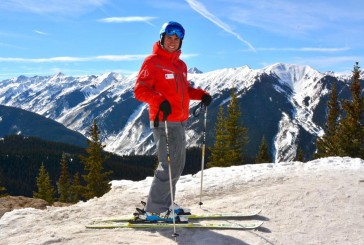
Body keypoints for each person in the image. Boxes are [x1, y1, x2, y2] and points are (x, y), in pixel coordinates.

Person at [134, 21, 212, 222]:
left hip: (179, 120)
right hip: (163, 121)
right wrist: (159, 100)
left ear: (181, 42)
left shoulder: (180, 65)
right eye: (169, 37)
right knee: (168, 164)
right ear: (162, 38)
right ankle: (155, 210)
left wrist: (201, 94)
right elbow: (140, 90)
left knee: (177, 164)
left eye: (177, 38)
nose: (173, 41)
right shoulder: (152, 61)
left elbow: (184, 90)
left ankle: (165, 202)